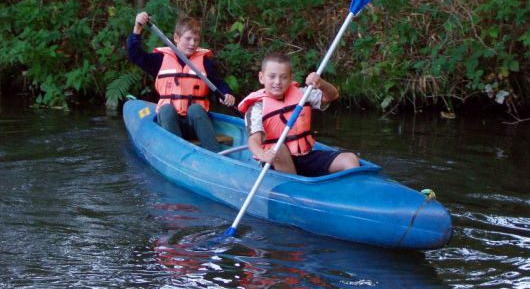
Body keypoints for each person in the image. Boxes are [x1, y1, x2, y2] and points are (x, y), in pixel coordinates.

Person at [127, 11, 236, 152]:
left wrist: (227, 93)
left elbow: (218, 83)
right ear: (176, 38)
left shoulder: (204, 62)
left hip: (195, 125)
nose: (192, 44)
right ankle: (176, 153)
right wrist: (137, 28)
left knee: (195, 109)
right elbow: (135, 55)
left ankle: (214, 155)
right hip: (170, 125)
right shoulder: (159, 60)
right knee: (166, 109)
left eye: (196, 40)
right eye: (188, 39)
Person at [237, 52, 360, 176]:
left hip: (306, 156)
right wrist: (263, 155)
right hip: (276, 161)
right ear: (262, 78)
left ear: (291, 78)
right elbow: (254, 140)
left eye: (283, 77)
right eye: (272, 76)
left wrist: (321, 83)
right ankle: (294, 187)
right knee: (277, 148)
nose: (278, 82)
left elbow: (332, 96)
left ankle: (354, 191)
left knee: (350, 159)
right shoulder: (257, 107)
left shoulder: (302, 94)